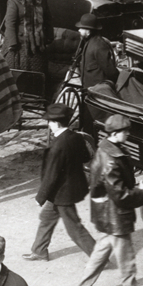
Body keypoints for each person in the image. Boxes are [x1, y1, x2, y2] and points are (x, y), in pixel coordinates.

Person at [75, 112, 143, 286]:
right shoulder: (111, 159)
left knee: (101, 252)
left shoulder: (105, 149)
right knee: (127, 262)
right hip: (116, 216)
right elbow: (121, 195)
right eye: (126, 131)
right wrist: (141, 191)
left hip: (105, 214)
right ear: (116, 133)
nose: (128, 134)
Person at [25, 104, 97, 262]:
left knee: (74, 228)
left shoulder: (57, 145)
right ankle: (39, 250)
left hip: (62, 193)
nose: (49, 124)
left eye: (49, 122)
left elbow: (51, 175)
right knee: (46, 217)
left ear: (56, 123)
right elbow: (86, 157)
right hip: (68, 189)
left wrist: (40, 197)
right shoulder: (76, 137)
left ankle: (99, 258)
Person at [3, 0, 52, 80]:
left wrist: (49, 36)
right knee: (19, 73)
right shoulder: (15, 3)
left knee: (38, 73)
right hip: (19, 46)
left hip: (37, 44)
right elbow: (9, 24)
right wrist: (13, 44)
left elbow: (48, 19)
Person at [75, 12, 120, 91]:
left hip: (98, 91)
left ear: (88, 30)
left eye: (82, 28)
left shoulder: (99, 46)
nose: (79, 30)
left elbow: (110, 71)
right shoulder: (89, 42)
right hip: (89, 88)